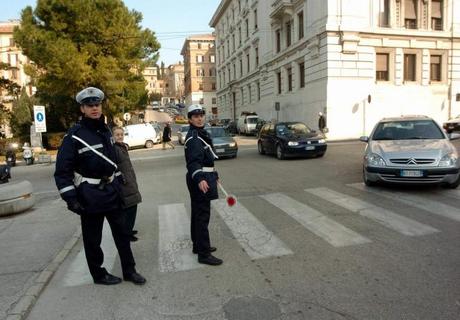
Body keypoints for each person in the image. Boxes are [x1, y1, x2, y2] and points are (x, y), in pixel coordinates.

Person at [54, 87, 146, 285]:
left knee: (123, 234)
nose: (94, 108)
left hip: (112, 190)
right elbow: (62, 171)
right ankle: (99, 274)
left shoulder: (105, 130)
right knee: (92, 239)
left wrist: (121, 184)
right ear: (82, 109)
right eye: (90, 106)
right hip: (90, 194)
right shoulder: (74, 136)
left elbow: (113, 160)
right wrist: (71, 199)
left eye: (97, 104)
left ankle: (129, 271)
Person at [184, 104, 223, 266]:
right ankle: (204, 254)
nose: (199, 118)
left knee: (197, 214)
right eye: (195, 116)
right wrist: (200, 179)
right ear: (190, 119)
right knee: (202, 217)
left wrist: (215, 175)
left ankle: (198, 246)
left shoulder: (200, 133)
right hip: (200, 178)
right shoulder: (194, 138)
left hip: (205, 175)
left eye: (201, 115)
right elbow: (193, 162)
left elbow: (207, 158)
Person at [112, 127, 142, 242]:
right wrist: (121, 177)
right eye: (117, 135)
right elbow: (113, 165)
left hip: (129, 181)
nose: (120, 136)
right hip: (123, 183)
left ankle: (128, 229)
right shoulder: (114, 149)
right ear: (113, 136)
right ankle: (126, 234)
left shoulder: (122, 146)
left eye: (121, 134)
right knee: (129, 208)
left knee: (131, 207)